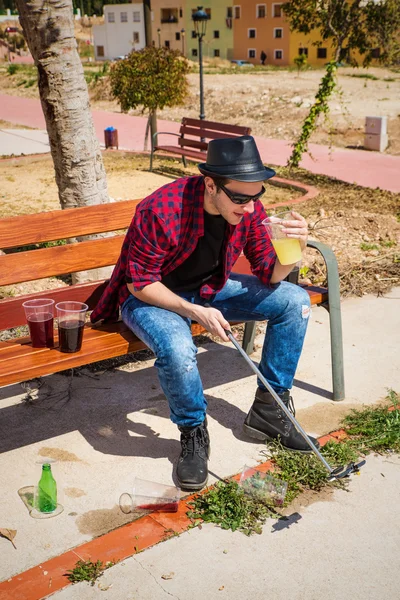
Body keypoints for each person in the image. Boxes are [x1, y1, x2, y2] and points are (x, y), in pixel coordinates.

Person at [91, 136, 318, 491]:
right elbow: (139, 283)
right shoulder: (161, 209)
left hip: (208, 290)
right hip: (151, 297)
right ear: (211, 184)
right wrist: (193, 311)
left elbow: (269, 273)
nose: (249, 207)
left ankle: (270, 412)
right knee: (179, 350)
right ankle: (193, 433)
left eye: (256, 196)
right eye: (240, 198)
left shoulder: (250, 209)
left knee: (295, 301)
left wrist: (295, 249)